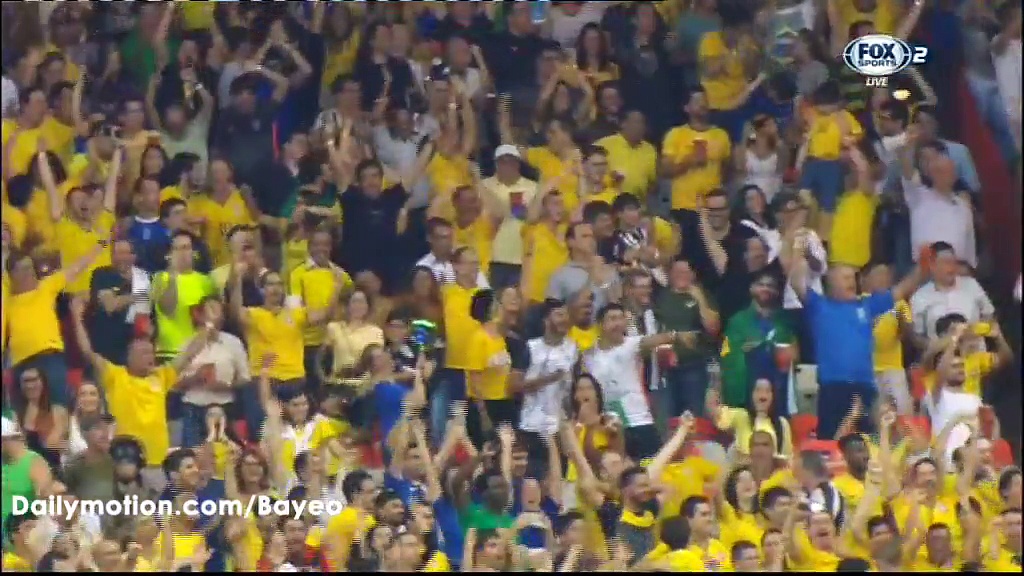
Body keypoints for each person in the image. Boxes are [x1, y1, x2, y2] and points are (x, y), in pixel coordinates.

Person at [790, 234, 927, 439]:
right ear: (830, 283)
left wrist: (922, 268)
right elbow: (796, 282)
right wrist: (799, 251)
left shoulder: (867, 305)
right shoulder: (819, 306)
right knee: (832, 441)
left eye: (852, 277)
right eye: (844, 277)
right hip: (833, 387)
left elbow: (900, 290)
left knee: (871, 443)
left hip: (866, 387)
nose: (851, 281)